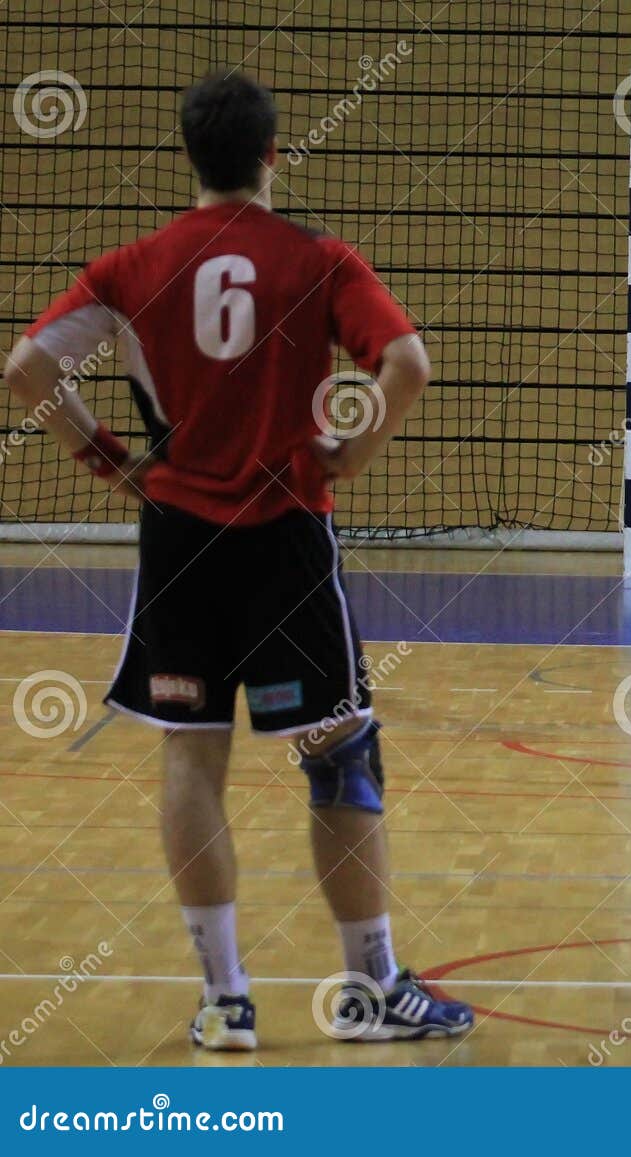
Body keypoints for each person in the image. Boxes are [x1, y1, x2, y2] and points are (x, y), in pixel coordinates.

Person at [2, 71, 473, 1048]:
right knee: (339, 752)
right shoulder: (318, 259)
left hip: (178, 536)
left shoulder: (131, 266)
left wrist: (106, 459)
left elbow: (27, 370)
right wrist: (354, 449)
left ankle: (225, 1000)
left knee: (191, 750)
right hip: (287, 530)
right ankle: (371, 988)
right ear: (272, 154)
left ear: (190, 155)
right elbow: (409, 364)